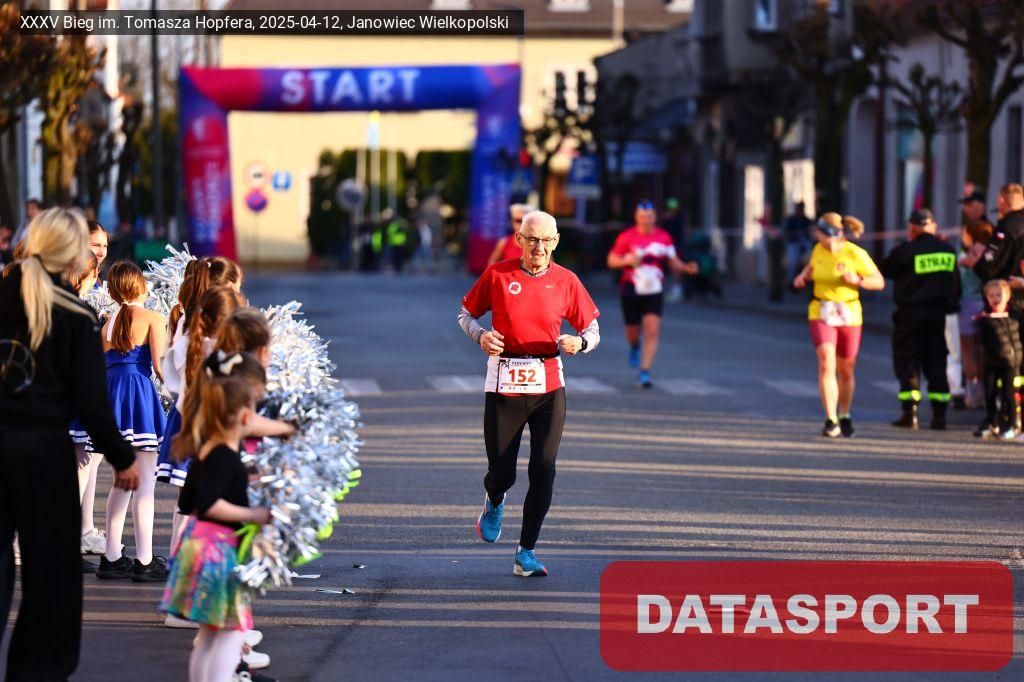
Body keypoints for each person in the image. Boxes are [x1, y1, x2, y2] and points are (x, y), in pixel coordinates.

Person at [0, 207, 139, 681]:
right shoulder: (76, 315)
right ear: (72, 252)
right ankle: (36, 671)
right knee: (50, 578)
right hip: (43, 453)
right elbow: (91, 402)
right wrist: (122, 457)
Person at [458, 210, 600, 577]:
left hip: (548, 385)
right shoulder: (498, 275)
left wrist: (580, 343)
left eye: (547, 240)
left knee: (544, 469)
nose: (539, 247)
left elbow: (592, 330)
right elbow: (465, 315)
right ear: (519, 240)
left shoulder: (567, 281)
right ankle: (494, 498)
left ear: (556, 242)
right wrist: (481, 336)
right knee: (502, 472)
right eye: (533, 239)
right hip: (504, 383)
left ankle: (526, 552)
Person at [160, 353, 271, 682]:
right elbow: (208, 504)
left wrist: (257, 479)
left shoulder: (209, 448)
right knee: (230, 633)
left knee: (209, 636)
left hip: (199, 547)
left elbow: (195, 499)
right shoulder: (222, 454)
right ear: (242, 416)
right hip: (216, 553)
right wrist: (254, 514)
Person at [93, 261, 170, 582]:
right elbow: (161, 367)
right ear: (140, 284)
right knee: (145, 483)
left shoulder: (107, 324)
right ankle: (145, 560)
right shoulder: (153, 318)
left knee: (121, 481)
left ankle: (111, 556)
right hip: (139, 396)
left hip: (112, 398)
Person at [793, 213, 885, 437]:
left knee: (846, 369)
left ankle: (845, 414)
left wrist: (858, 280)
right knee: (826, 363)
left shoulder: (854, 253)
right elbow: (811, 268)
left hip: (849, 313)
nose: (816, 235)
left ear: (830, 234)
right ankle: (830, 419)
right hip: (821, 311)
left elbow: (879, 282)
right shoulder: (818, 250)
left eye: (818, 232)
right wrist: (802, 277)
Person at [879, 209, 959, 430]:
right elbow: (956, 286)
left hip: (909, 315)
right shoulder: (948, 250)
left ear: (912, 228)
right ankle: (939, 416)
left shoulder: (905, 250)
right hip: (938, 316)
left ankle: (910, 413)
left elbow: (885, 270)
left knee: (907, 361)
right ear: (933, 226)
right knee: (937, 362)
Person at [606, 200, 698, 387]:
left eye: (649, 216)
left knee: (652, 330)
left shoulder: (663, 237)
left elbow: (673, 261)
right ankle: (634, 345)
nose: (646, 220)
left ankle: (645, 371)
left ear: (655, 217)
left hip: (654, 289)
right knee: (633, 332)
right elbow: (611, 260)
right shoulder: (627, 237)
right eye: (642, 216)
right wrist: (627, 261)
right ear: (636, 217)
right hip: (631, 288)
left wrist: (686, 267)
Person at [976, 279, 1022, 439]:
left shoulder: (1014, 315)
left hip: (1009, 363)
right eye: (991, 295)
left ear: (1007, 296)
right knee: (989, 394)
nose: (995, 299)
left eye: (999, 295)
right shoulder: (984, 318)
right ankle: (992, 424)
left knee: (1008, 394)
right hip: (991, 362)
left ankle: (1014, 424)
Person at [958, 190, 991, 408]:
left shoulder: (966, 256)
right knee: (984, 349)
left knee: (968, 350)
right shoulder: (990, 251)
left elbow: (959, 277)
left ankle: (972, 394)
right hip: (987, 300)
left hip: (968, 302)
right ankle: (986, 392)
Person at [969, 183, 1024, 284]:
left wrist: (975, 265)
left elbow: (991, 262)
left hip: (1008, 287)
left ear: (1001, 200)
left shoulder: (1007, 227)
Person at [784, 201, 813, 286]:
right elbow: (787, 232)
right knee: (792, 263)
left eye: (801, 208)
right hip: (794, 243)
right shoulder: (791, 220)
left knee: (807, 262)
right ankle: (791, 281)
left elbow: (810, 232)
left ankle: (805, 281)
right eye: (798, 208)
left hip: (804, 244)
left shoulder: (806, 220)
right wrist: (796, 233)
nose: (800, 210)